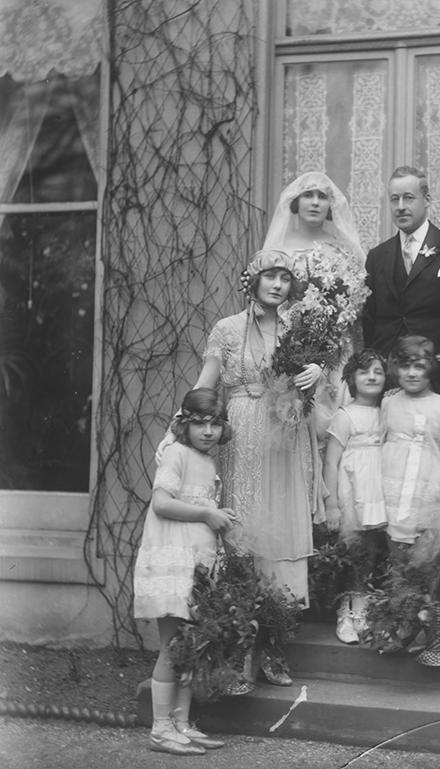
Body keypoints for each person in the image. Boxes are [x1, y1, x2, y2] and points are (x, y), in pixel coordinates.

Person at [157, 250, 313, 686]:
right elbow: (205, 384)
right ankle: (239, 648)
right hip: (242, 432)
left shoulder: (297, 329)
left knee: (279, 528)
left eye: (285, 277)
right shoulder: (227, 329)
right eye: (269, 276)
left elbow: (310, 387)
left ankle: (274, 646)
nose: (277, 285)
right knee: (242, 530)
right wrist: (176, 428)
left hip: (284, 435)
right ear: (252, 281)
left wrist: (315, 371)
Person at [134, 388, 234, 756]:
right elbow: (162, 503)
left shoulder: (207, 461)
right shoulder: (176, 453)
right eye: (200, 423)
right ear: (184, 425)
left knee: (193, 646)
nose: (208, 431)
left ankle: (181, 724)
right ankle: (161, 729)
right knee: (174, 647)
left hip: (198, 566)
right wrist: (208, 514)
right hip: (175, 564)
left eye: (215, 423)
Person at [262, 171, 367, 435]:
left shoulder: (343, 250)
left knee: (334, 422)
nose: (315, 202)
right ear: (296, 202)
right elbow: (266, 301)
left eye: (322, 196)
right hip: (289, 345)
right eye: (308, 195)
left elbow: (355, 304)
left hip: (335, 349)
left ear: (331, 205)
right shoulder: (278, 250)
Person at [362, 166, 440, 394]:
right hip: (387, 373)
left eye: (408, 198)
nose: (400, 206)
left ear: (427, 199)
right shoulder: (376, 256)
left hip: (435, 372)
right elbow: (369, 319)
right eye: (394, 199)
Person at [381, 336, 440, 553]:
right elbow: (381, 441)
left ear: (431, 368)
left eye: (419, 367)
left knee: (426, 544)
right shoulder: (389, 402)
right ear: (396, 369)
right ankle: (398, 581)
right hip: (393, 485)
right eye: (405, 367)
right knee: (394, 539)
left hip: (428, 487)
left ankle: (422, 585)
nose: (412, 373)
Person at [322, 348, 388, 645]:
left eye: (378, 371)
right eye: (364, 372)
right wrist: (331, 503)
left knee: (370, 552)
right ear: (351, 378)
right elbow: (331, 462)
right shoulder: (344, 415)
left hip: (378, 492)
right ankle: (344, 613)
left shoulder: (387, 413)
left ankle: (361, 612)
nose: (372, 377)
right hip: (352, 490)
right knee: (352, 551)